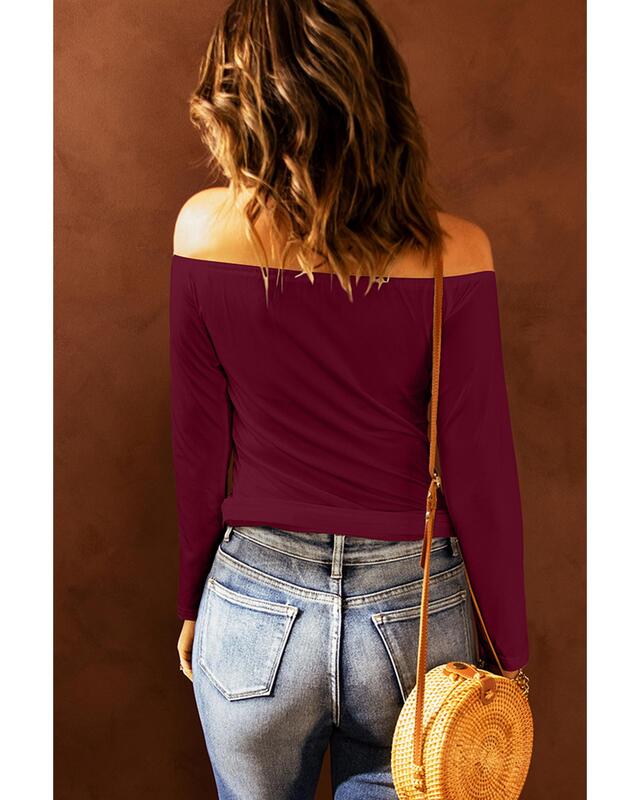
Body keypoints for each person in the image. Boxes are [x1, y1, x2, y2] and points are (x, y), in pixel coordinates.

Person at [170, 1, 530, 797]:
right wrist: (508, 646)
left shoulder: (201, 230)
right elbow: (479, 464)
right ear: (376, 95)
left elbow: (199, 444)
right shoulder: (454, 253)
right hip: (412, 616)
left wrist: (193, 597)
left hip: (254, 605)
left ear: (239, 104)